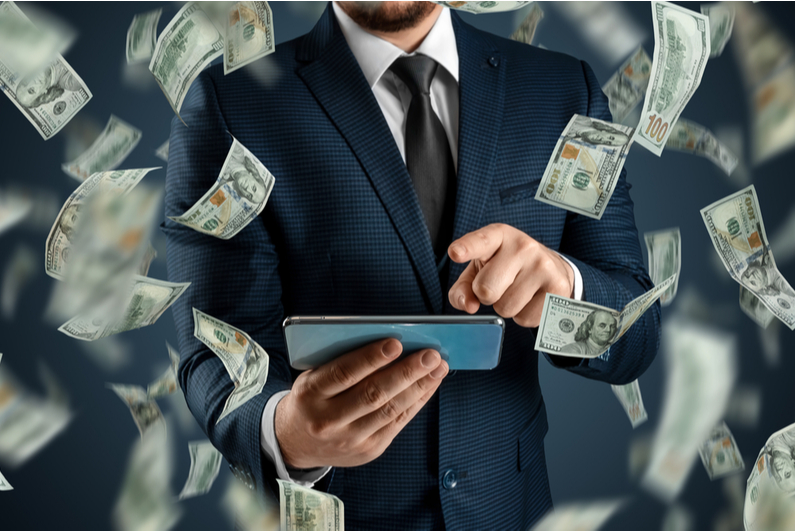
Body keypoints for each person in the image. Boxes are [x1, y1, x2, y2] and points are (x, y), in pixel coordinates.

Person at [163, 3, 661, 529]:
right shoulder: (229, 104)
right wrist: (286, 433)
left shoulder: (564, 90)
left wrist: (569, 287)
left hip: (510, 510)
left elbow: (638, 328)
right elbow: (214, 351)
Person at [15, 60, 83, 109]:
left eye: (25, 82)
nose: (31, 81)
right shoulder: (70, 83)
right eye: (32, 90)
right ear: (43, 94)